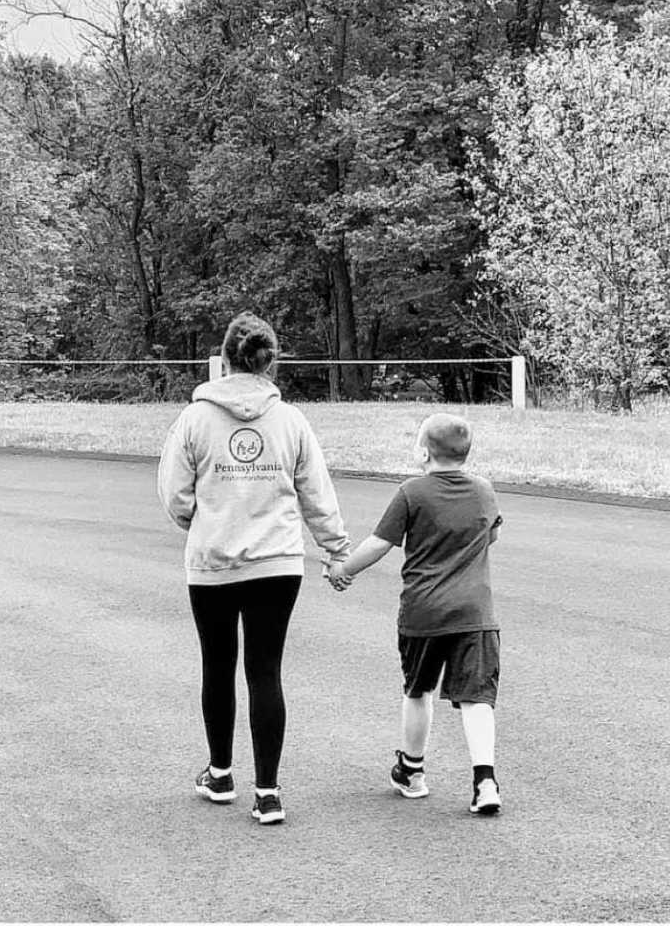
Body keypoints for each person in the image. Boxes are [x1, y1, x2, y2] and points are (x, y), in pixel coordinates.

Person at [158, 311, 350, 825]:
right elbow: (317, 494)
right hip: (277, 561)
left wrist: (197, 521)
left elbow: (174, 493)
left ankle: (221, 773)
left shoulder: (195, 419)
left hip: (214, 560)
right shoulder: (291, 421)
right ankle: (268, 791)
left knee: (217, 666)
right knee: (265, 671)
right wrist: (336, 548)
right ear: (273, 360)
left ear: (224, 359)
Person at [327, 412, 504, 815]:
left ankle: (413, 771)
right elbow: (491, 534)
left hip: (424, 612)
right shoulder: (483, 490)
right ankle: (485, 780)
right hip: (476, 612)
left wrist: (343, 569)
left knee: (419, 689)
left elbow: (379, 543)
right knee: (477, 699)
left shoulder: (412, 492)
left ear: (423, 451)